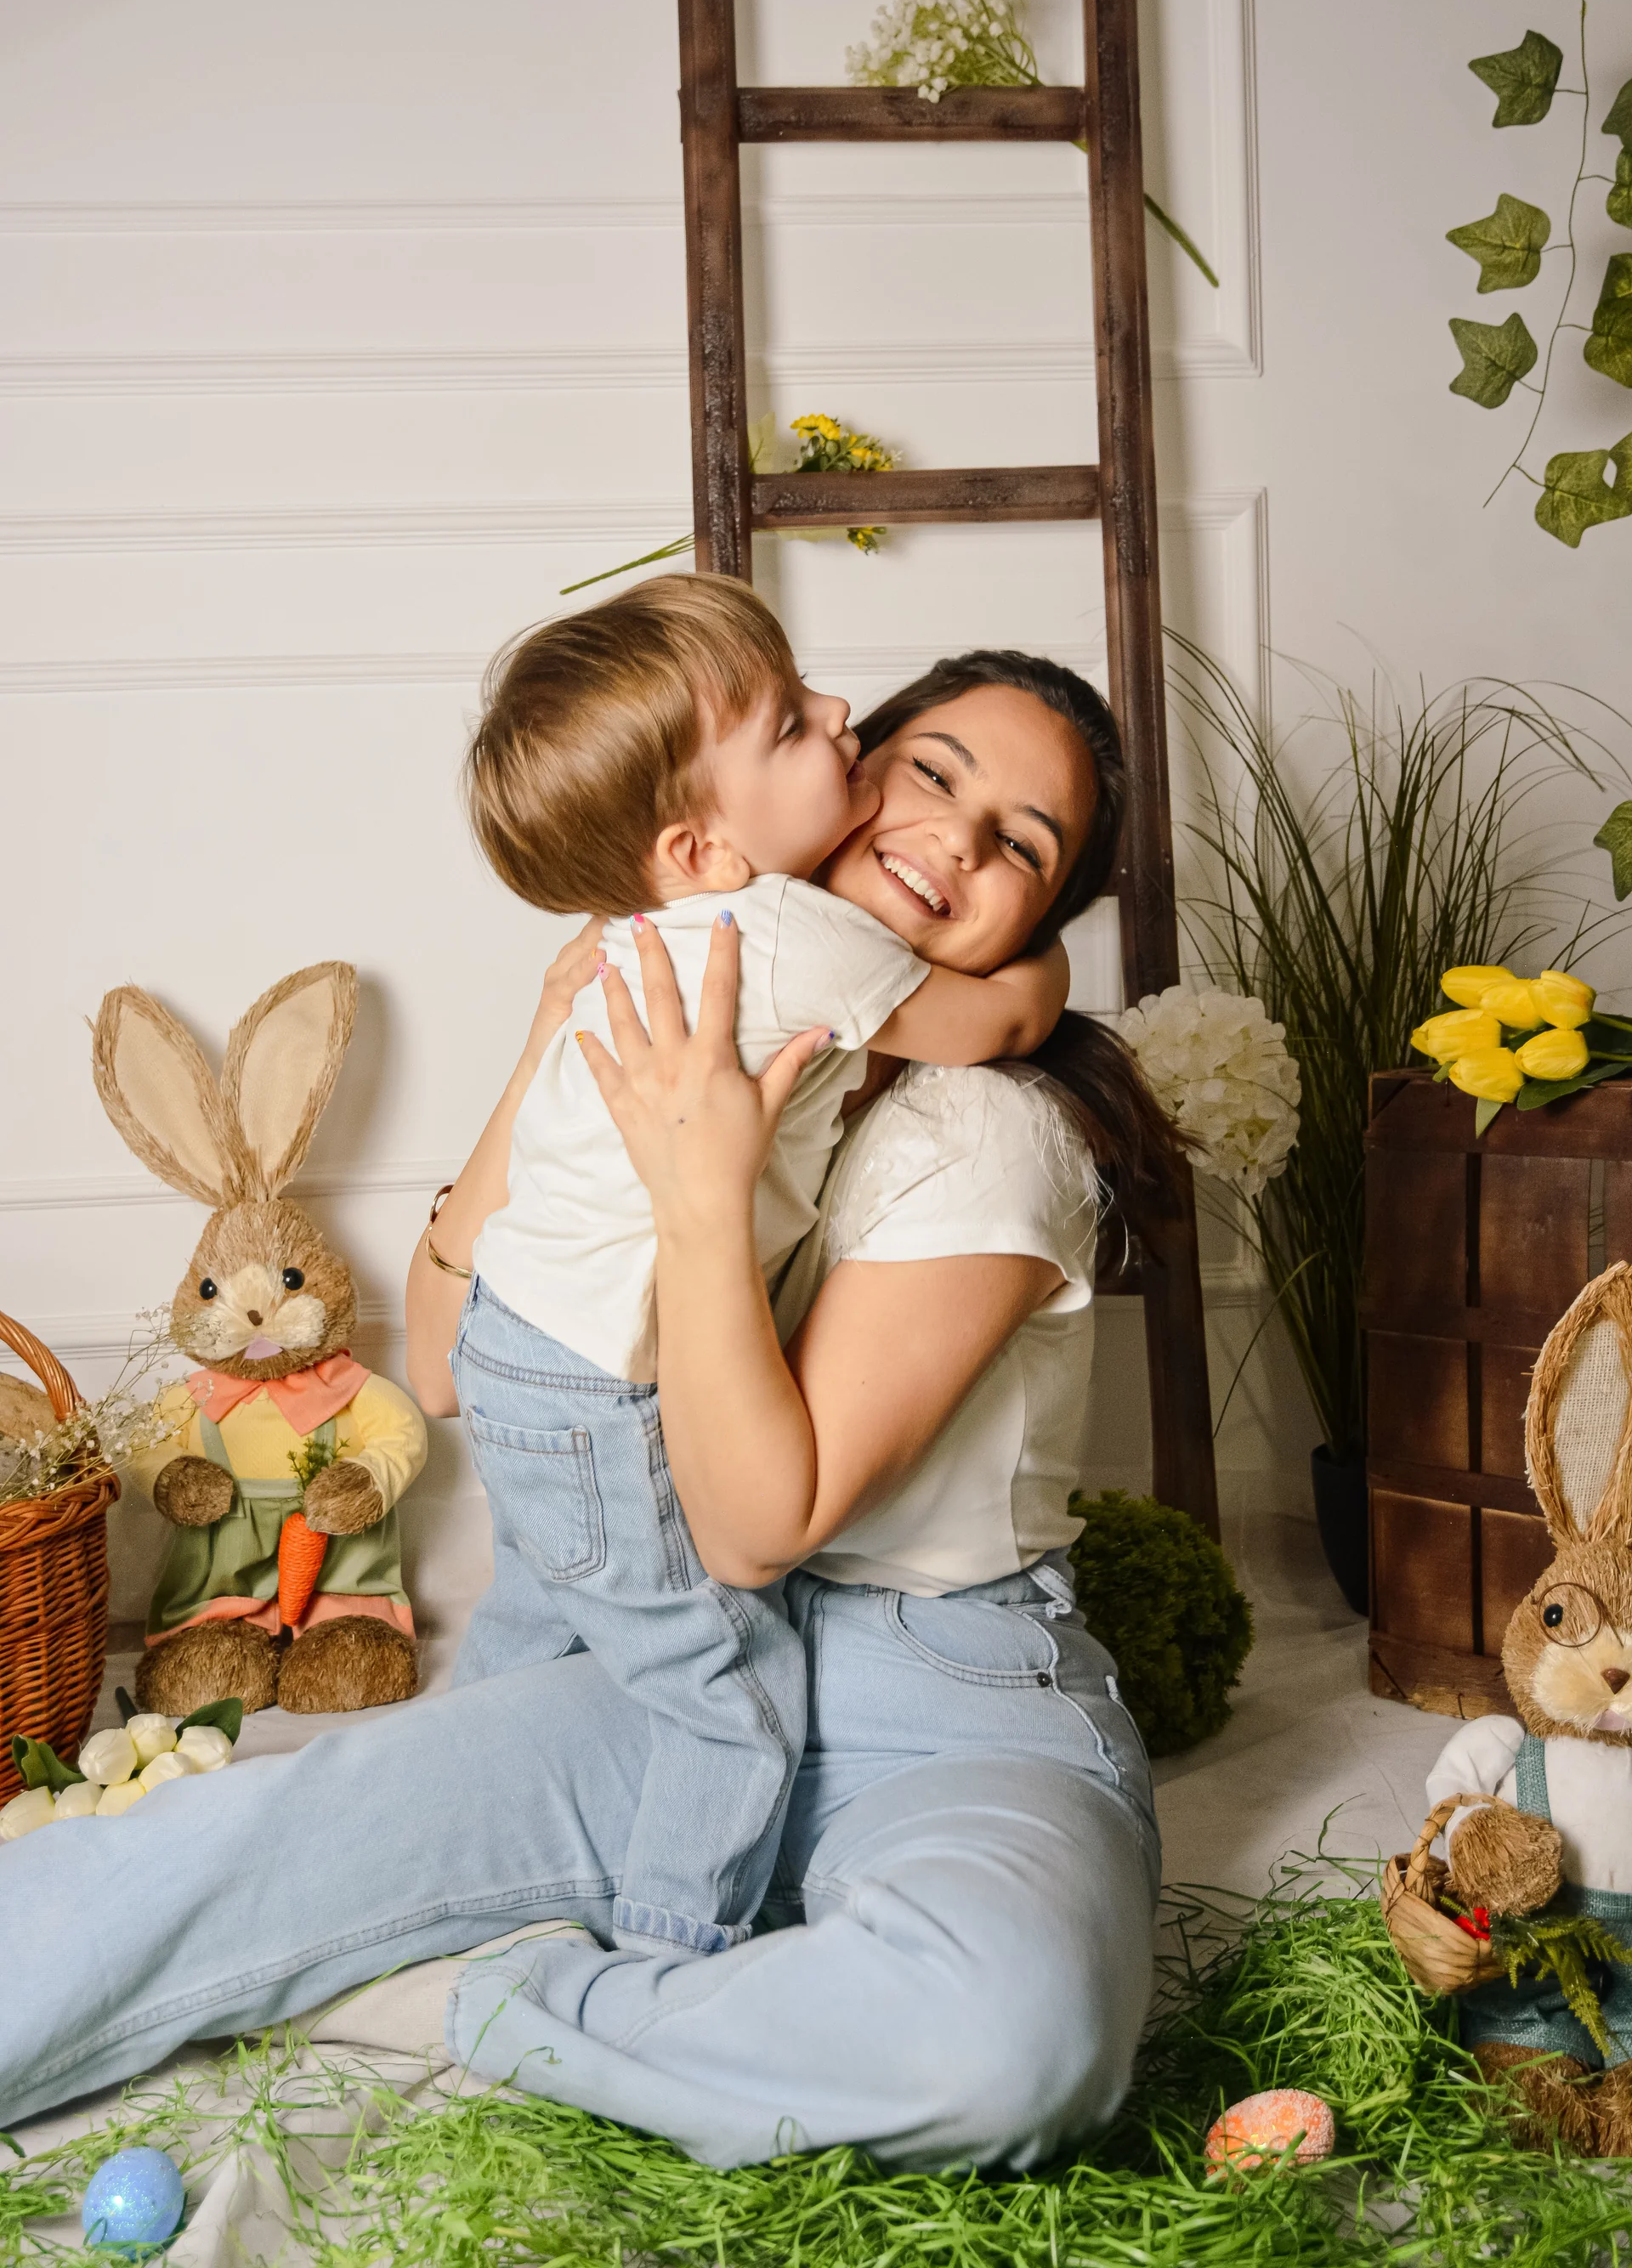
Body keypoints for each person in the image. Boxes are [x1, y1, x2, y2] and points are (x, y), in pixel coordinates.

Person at [0, 651, 1180, 2173]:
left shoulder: (988, 1134)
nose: (958, 839)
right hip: (647, 1657)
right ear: (832, 774)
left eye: (1028, 843)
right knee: (236, 1850)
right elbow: (438, 1360)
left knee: (1010, 2045)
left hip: (937, 1701)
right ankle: (535, 1954)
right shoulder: (702, 981)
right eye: (936, 771)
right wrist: (551, 1043)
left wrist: (700, 1200)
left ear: (1040, 912)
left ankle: (475, 2000)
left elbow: (762, 1528)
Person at [443, 575, 1068, 1963]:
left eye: (1022, 845)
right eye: (794, 723)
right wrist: (1048, 974)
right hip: (602, 1387)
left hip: (510, 1340)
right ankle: (671, 1957)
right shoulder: (789, 937)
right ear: (702, 845)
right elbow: (986, 1023)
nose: (836, 712)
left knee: (544, 1615)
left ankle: (467, 1782)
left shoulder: (649, 929)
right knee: (730, 1694)